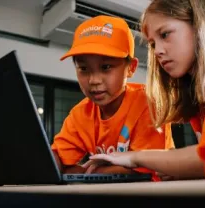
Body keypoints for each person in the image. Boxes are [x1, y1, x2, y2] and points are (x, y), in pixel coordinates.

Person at [84, 0, 205, 180]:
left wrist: (135, 157)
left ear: (199, 25)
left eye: (164, 34)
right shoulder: (199, 90)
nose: (157, 52)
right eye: (153, 44)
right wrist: (177, 168)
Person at [51, 15, 174, 178]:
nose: (93, 80)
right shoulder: (80, 114)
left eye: (106, 67)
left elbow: (144, 171)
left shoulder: (148, 103)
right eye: (83, 69)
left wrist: (90, 172)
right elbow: (57, 160)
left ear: (130, 68)